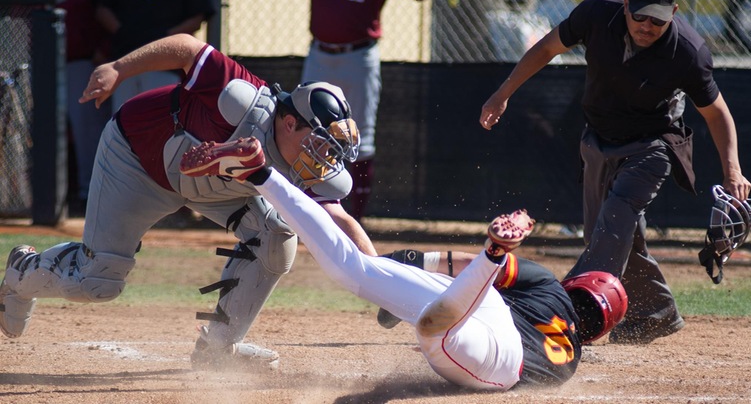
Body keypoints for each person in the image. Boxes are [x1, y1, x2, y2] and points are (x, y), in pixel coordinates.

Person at [0, 33, 377, 369]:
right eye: (318, 142)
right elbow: (186, 48)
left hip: (215, 186)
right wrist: (119, 67)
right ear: (291, 123)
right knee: (95, 283)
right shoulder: (240, 98)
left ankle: (218, 349)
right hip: (138, 161)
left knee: (278, 240)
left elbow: (336, 217)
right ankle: (22, 271)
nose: (323, 156)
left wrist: (380, 280)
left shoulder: (307, 159)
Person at [178, 137, 628, 388]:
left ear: (577, 287)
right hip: (501, 356)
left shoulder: (550, 287)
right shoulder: (567, 364)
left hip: (484, 303)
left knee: (353, 269)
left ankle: (261, 173)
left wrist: (406, 262)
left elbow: (456, 261)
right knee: (437, 329)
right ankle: (494, 254)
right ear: (596, 330)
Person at [479, 0, 751, 344]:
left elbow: (717, 112)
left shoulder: (688, 51)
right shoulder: (596, 13)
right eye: (638, 14)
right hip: (599, 137)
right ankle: (656, 312)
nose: (645, 25)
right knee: (607, 233)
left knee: (617, 215)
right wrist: (503, 93)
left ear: (673, 14)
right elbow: (546, 48)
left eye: (656, 19)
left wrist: (733, 171)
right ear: (625, 4)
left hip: (655, 143)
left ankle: (566, 311)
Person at [265, 0, 430, 221]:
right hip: (319, 53)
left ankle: (357, 218)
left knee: (359, 136)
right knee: (305, 130)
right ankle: (303, 212)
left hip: (359, 56)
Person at [30, 0, 113, 214]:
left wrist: (105, 52)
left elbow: (117, 12)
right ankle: (27, 194)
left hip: (82, 61)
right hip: (38, 60)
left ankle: (90, 194)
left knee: (88, 131)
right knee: (34, 127)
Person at [90, 0, 214, 111]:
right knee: (123, 120)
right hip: (125, 64)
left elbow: (197, 16)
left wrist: (166, 38)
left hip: (164, 65)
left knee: (161, 121)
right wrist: (122, 32)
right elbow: (102, 7)